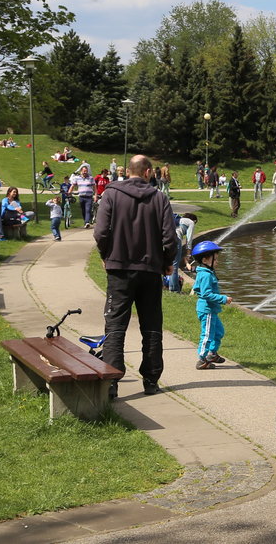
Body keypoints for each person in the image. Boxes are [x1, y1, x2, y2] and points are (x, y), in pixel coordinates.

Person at [93, 155, 178, 400]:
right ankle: (151, 380)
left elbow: (100, 232)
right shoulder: (159, 197)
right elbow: (170, 238)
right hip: (150, 270)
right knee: (151, 327)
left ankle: (111, 381)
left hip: (119, 270)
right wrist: (167, 262)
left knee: (115, 325)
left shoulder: (111, 194)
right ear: (148, 172)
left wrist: (105, 254)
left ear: (127, 171)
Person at [191, 240, 232, 369]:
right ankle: (202, 359)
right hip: (207, 310)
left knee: (219, 332)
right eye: (215, 260)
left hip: (212, 310)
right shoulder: (205, 275)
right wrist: (223, 299)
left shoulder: (208, 273)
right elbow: (206, 294)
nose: (217, 262)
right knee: (207, 335)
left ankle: (212, 353)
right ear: (205, 260)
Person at [170, 212, 198, 292]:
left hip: (165, 239)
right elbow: (189, 240)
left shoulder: (177, 218)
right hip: (175, 240)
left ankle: (165, 285)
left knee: (167, 264)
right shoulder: (191, 222)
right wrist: (188, 255)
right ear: (194, 220)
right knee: (174, 267)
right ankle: (174, 290)